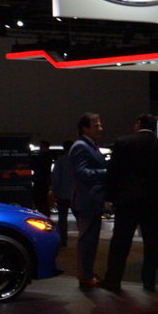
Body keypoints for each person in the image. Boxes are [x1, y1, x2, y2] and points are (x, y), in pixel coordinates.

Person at [101, 114, 158, 293]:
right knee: (152, 241)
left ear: (138, 124)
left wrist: (110, 196)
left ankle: (113, 280)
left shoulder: (123, 143)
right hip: (155, 201)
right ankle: (149, 280)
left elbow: (112, 173)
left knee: (121, 241)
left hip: (127, 200)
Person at [66, 115, 109, 288]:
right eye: (96, 126)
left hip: (89, 198)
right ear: (85, 128)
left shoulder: (88, 145)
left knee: (90, 239)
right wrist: (107, 172)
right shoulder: (81, 146)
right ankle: (85, 275)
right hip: (86, 199)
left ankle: (87, 273)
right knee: (87, 239)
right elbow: (81, 173)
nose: (100, 128)